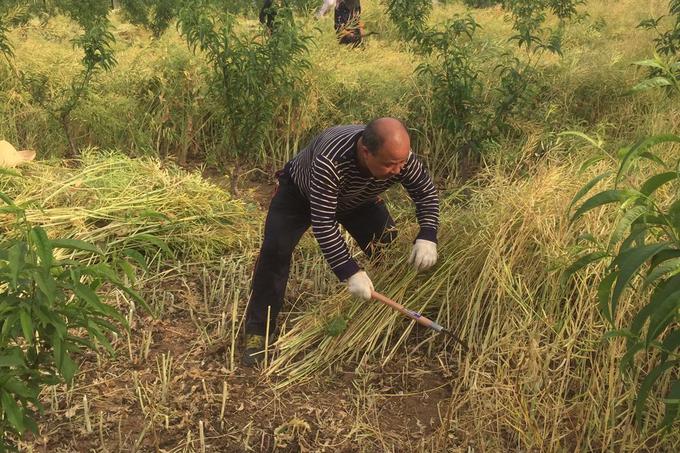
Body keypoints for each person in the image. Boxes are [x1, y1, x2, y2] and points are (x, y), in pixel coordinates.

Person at [242, 118, 440, 366]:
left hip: (357, 200)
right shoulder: (331, 159)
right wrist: (350, 271)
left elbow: (425, 193)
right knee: (275, 253)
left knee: (387, 244)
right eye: (390, 165)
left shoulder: (400, 157)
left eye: (402, 163)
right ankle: (258, 331)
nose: (399, 171)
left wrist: (428, 235)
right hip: (299, 196)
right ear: (366, 152)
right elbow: (324, 222)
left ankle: (392, 314)